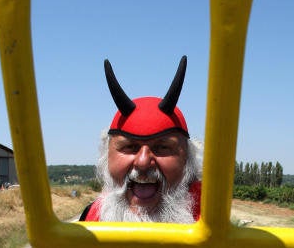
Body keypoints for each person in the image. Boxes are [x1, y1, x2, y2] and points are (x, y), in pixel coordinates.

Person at [79, 55, 202, 223]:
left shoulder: (215, 229)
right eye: (129, 147)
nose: (143, 162)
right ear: (106, 157)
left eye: (163, 148)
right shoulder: (88, 223)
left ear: (188, 161)